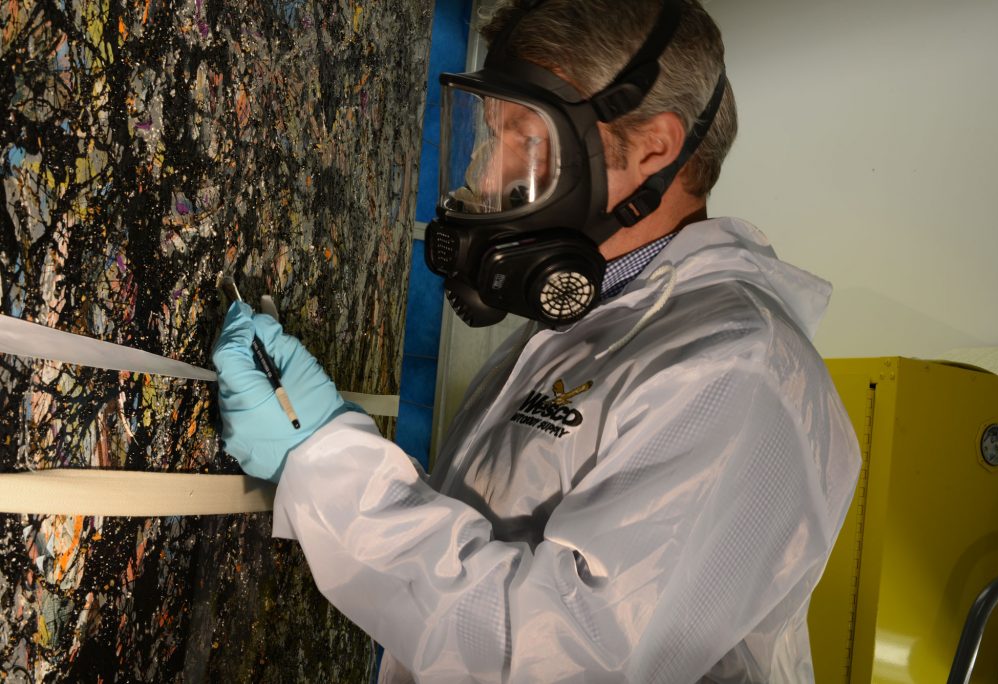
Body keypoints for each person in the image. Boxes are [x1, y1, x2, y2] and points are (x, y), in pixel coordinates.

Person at [213, 0, 861, 681]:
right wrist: (330, 453)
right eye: (489, 137)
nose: (487, 178)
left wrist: (329, 465)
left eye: (525, 139)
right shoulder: (586, 325)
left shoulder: (734, 373)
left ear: (654, 148)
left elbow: (563, 656)